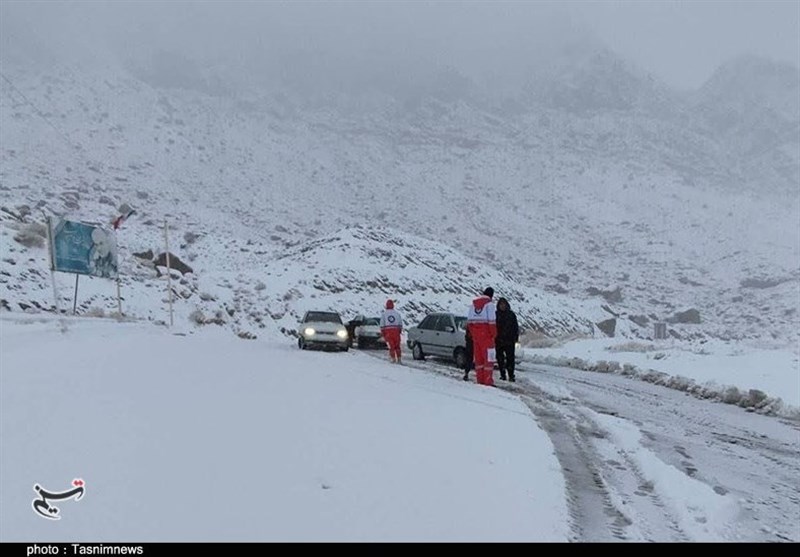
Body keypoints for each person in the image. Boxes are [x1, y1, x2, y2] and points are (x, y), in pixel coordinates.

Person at [467, 287, 497, 386]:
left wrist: (473, 334)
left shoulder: (473, 305)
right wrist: (494, 334)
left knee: (479, 359)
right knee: (489, 359)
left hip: (476, 336)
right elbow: (492, 322)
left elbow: (469, 322)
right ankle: (488, 380)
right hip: (487, 336)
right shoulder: (490, 305)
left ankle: (479, 380)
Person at [495, 297, 519, 382]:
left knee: (510, 359)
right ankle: (502, 374)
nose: (502, 306)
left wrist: (516, 338)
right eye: (501, 304)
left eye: (504, 304)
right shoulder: (496, 314)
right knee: (500, 359)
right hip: (498, 341)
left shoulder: (511, 314)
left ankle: (511, 375)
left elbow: (515, 327)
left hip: (509, 341)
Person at [380, 299, 403, 363]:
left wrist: (383, 332)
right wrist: (399, 331)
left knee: (391, 346)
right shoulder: (397, 313)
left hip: (388, 331)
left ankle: (393, 358)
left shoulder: (384, 314)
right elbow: (400, 323)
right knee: (397, 346)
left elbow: (382, 324)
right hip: (396, 331)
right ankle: (399, 358)